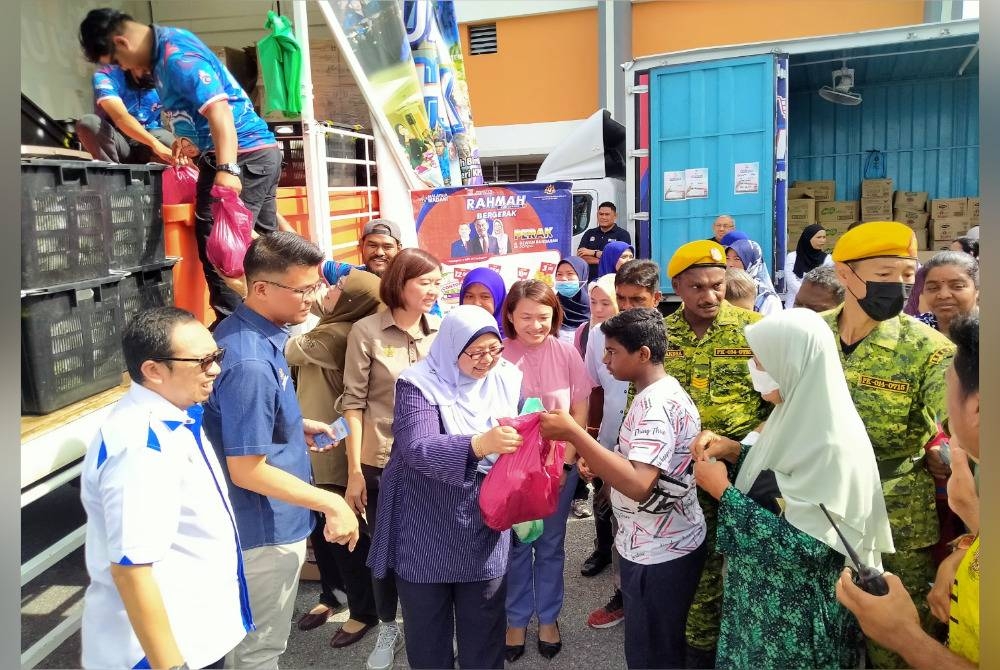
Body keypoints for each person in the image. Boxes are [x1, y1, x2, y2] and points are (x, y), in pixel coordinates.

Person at [692, 308, 895, 669]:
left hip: (795, 619)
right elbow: (785, 480)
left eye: (759, 360)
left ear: (790, 362)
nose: (753, 369)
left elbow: (810, 548)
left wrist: (724, 492)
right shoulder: (799, 414)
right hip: (762, 606)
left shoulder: (834, 445)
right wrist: (735, 450)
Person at [202, 233, 360, 668]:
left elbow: (247, 427)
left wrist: (293, 428)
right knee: (259, 651)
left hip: (270, 520)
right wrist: (330, 501)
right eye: (303, 289)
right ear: (261, 289)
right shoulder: (250, 361)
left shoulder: (255, 337)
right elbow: (247, 471)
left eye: (316, 286)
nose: (314, 297)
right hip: (264, 530)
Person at [80, 9, 282, 328]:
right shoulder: (163, 54)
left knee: (223, 248)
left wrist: (227, 169)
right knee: (267, 247)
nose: (126, 70)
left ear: (122, 41)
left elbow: (220, 111)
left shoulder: (176, 57)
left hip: (240, 154)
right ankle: (279, 318)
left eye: (120, 61)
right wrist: (190, 141)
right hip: (254, 152)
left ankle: (236, 326)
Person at [80, 307, 251, 670]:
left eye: (217, 356)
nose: (216, 369)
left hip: (193, 634)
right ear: (153, 370)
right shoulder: (142, 446)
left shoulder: (176, 413)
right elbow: (131, 568)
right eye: (203, 361)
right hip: (164, 652)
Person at [541, 309, 708, 669]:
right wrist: (600, 459)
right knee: (657, 644)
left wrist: (574, 435)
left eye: (613, 351)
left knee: (653, 653)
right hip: (659, 541)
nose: (605, 359)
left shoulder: (655, 406)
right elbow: (638, 466)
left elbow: (638, 484)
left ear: (643, 354)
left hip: (659, 551)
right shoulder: (655, 392)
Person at [823, 221, 955, 669]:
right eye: (885, 274)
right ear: (845, 275)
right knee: (825, 636)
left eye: (907, 274)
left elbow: (963, 421)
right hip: (819, 514)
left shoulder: (929, 350)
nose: (900, 286)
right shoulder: (809, 334)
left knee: (896, 648)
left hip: (896, 520)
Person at [368, 306, 524, 669]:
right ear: (452, 347)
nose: (487, 360)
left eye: (494, 349)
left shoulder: (506, 377)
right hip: (425, 525)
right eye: (476, 352)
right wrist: (479, 445)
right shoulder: (418, 383)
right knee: (427, 637)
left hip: (484, 522)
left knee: (485, 631)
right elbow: (417, 448)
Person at [837, 314, 979, 669]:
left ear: (975, 408)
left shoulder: (924, 345)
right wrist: (968, 546)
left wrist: (905, 637)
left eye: (946, 385)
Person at [661, 240, 771, 668]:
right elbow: (641, 399)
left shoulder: (756, 330)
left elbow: (782, 406)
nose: (709, 296)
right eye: (697, 287)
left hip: (742, 473)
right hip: (678, 476)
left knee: (746, 570)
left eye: (717, 285)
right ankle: (697, 652)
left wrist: (739, 448)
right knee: (696, 572)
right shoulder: (660, 333)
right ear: (677, 287)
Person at [342, 248, 443, 670]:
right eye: (426, 282)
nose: (434, 291)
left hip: (434, 460)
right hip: (381, 460)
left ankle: (435, 627)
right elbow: (353, 403)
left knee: (433, 545)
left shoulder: (441, 329)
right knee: (384, 549)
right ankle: (388, 625)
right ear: (400, 283)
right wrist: (353, 473)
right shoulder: (366, 332)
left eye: (438, 282)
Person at [285, 269, 383, 648]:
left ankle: (362, 611)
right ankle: (332, 595)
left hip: (333, 451)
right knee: (321, 532)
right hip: (312, 446)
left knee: (344, 535)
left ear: (353, 300)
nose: (329, 291)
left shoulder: (338, 334)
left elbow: (290, 348)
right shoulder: (330, 326)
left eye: (339, 288)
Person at [501, 280, 595, 662]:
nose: (535, 325)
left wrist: (569, 462)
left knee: (551, 546)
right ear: (510, 315)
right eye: (526, 317)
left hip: (557, 468)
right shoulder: (500, 354)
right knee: (517, 547)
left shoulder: (568, 351)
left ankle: (549, 619)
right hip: (510, 471)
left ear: (555, 316)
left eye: (543, 317)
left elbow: (581, 409)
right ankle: (516, 619)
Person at [77, 64, 175, 164]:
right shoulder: (106, 76)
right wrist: (155, 144)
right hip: (117, 142)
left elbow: (182, 115)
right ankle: (111, 173)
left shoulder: (166, 80)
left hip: (149, 142)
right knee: (89, 123)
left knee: (175, 143)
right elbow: (121, 118)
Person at [917, 251, 979, 337]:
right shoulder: (911, 331)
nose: (943, 295)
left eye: (958, 286)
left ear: (977, 289)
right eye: (933, 288)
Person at [324, 219, 404, 283]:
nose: (379, 252)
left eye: (387, 247)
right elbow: (318, 266)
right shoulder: (347, 274)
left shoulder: (407, 282)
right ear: (361, 246)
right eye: (372, 245)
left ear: (399, 250)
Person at [577, 201, 632, 281]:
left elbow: (621, 258)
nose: (603, 217)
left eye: (607, 214)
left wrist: (593, 253)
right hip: (590, 280)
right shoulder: (589, 233)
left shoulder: (623, 234)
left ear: (615, 216)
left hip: (612, 281)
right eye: (601, 214)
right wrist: (607, 260)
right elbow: (581, 256)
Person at [725, 238, 782, 315]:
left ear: (752, 262)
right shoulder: (721, 288)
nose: (730, 264)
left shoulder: (766, 298)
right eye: (727, 258)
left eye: (737, 259)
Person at [784, 224, 833, 308]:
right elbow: (791, 280)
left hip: (817, 305)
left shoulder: (828, 259)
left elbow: (826, 282)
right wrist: (807, 294)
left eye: (824, 237)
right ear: (808, 238)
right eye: (819, 237)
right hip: (794, 304)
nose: (822, 240)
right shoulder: (792, 257)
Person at [554, 256, 591, 345]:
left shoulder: (594, 306)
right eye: (559, 274)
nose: (563, 278)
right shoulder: (552, 305)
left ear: (582, 275)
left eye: (570, 274)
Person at [459, 267, 507, 336]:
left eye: (485, 297)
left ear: (498, 300)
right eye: (469, 296)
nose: (476, 304)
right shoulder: (452, 334)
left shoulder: (517, 337)